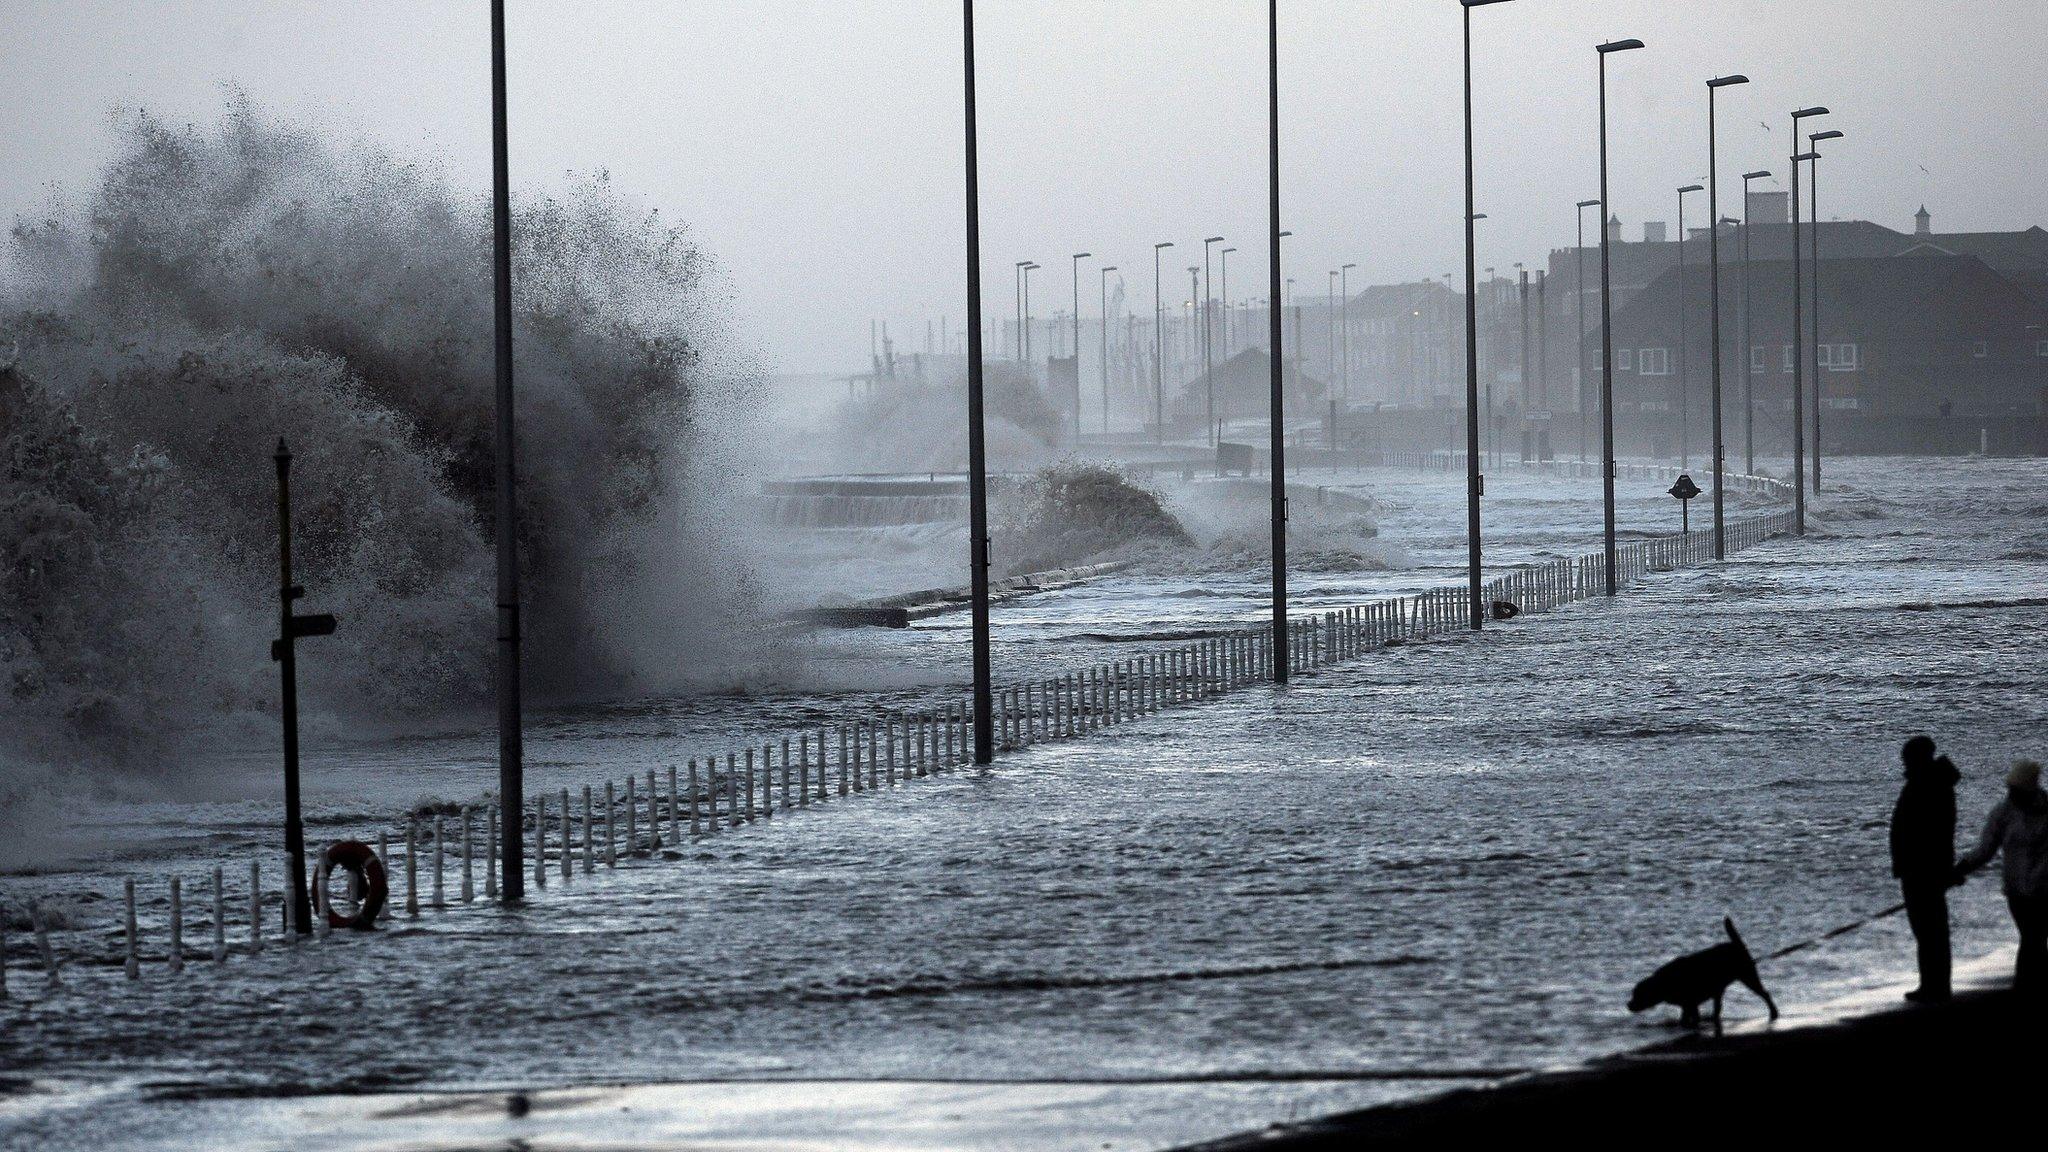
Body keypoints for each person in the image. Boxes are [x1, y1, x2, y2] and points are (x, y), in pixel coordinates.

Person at [1955, 760, 2048, 996]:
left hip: (2044, 888)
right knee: (2033, 937)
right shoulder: (2002, 813)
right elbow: (1985, 850)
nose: (2012, 795)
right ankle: (2028, 986)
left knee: (2034, 937)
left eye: (2017, 790)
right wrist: (1961, 868)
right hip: (2016, 890)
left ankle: (2026, 986)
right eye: (2011, 790)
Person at [1890, 735, 1960, 1002]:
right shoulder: (1930, 783)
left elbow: (1935, 833)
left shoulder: (1928, 785)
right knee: (1929, 931)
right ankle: (1932, 984)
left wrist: (1938, 868)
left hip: (1922, 869)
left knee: (1930, 930)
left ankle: (1936, 986)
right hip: (1922, 867)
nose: (1904, 762)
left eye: (1907, 757)